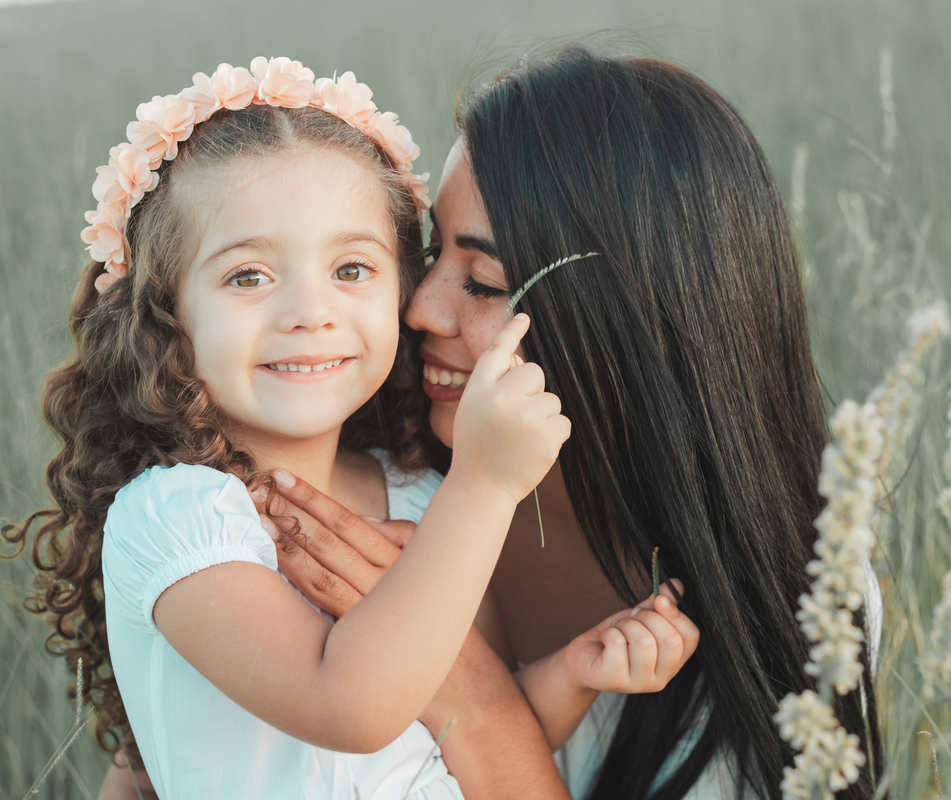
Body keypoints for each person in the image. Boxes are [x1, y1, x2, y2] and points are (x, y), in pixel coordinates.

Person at [3, 57, 698, 800]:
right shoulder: (182, 519)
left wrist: (573, 675)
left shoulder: (422, 495)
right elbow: (352, 709)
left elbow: (472, 725)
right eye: (248, 276)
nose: (310, 312)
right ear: (165, 314)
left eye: (352, 269)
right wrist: (488, 486)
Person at [232, 47, 887, 799]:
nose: (421, 309)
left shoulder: (803, 605)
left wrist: (476, 702)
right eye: (428, 254)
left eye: (482, 282)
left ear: (631, 323)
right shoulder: (346, 500)